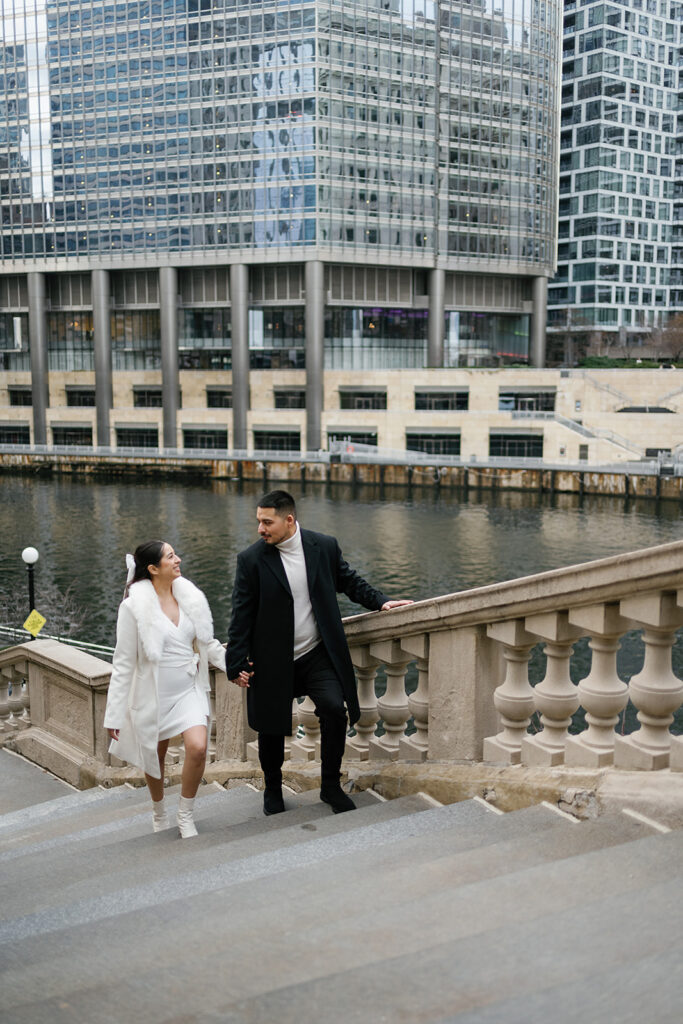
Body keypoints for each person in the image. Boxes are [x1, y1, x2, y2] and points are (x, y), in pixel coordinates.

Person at [226, 490, 412, 816]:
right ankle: (272, 788)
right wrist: (235, 662)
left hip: (316, 652)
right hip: (271, 658)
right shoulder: (251, 560)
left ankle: (330, 786)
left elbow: (349, 581)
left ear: (289, 520)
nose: (260, 529)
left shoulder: (322, 546)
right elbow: (241, 615)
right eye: (258, 521)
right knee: (271, 728)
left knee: (333, 709)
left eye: (266, 522)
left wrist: (381, 601)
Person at [103, 540, 226, 838]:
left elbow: (208, 643)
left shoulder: (190, 597)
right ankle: (159, 811)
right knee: (154, 755)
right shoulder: (132, 608)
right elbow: (122, 663)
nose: (178, 560)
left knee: (197, 747)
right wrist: (114, 715)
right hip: (154, 694)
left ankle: (186, 815)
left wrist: (236, 668)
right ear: (153, 568)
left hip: (188, 688)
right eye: (171, 556)